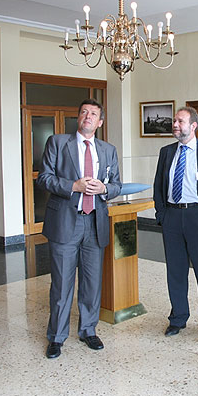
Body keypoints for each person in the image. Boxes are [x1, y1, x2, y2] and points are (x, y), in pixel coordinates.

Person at [37, 98, 122, 358]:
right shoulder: (58, 143)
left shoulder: (108, 150)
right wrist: (73, 186)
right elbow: (44, 177)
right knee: (61, 283)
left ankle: (88, 329)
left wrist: (105, 189)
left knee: (91, 282)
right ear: (78, 117)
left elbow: (117, 184)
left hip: (94, 222)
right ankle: (57, 336)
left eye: (93, 114)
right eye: (84, 112)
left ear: (100, 122)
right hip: (65, 221)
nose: (88, 116)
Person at [153, 106, 198, 340]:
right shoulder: (166, 152)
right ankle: (177, 318)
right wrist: (162, 214)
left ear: (194, 126)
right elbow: (158, 186)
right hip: (172, 217)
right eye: (174, 121)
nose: (175, 125)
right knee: (175, 271)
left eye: (180, 121)